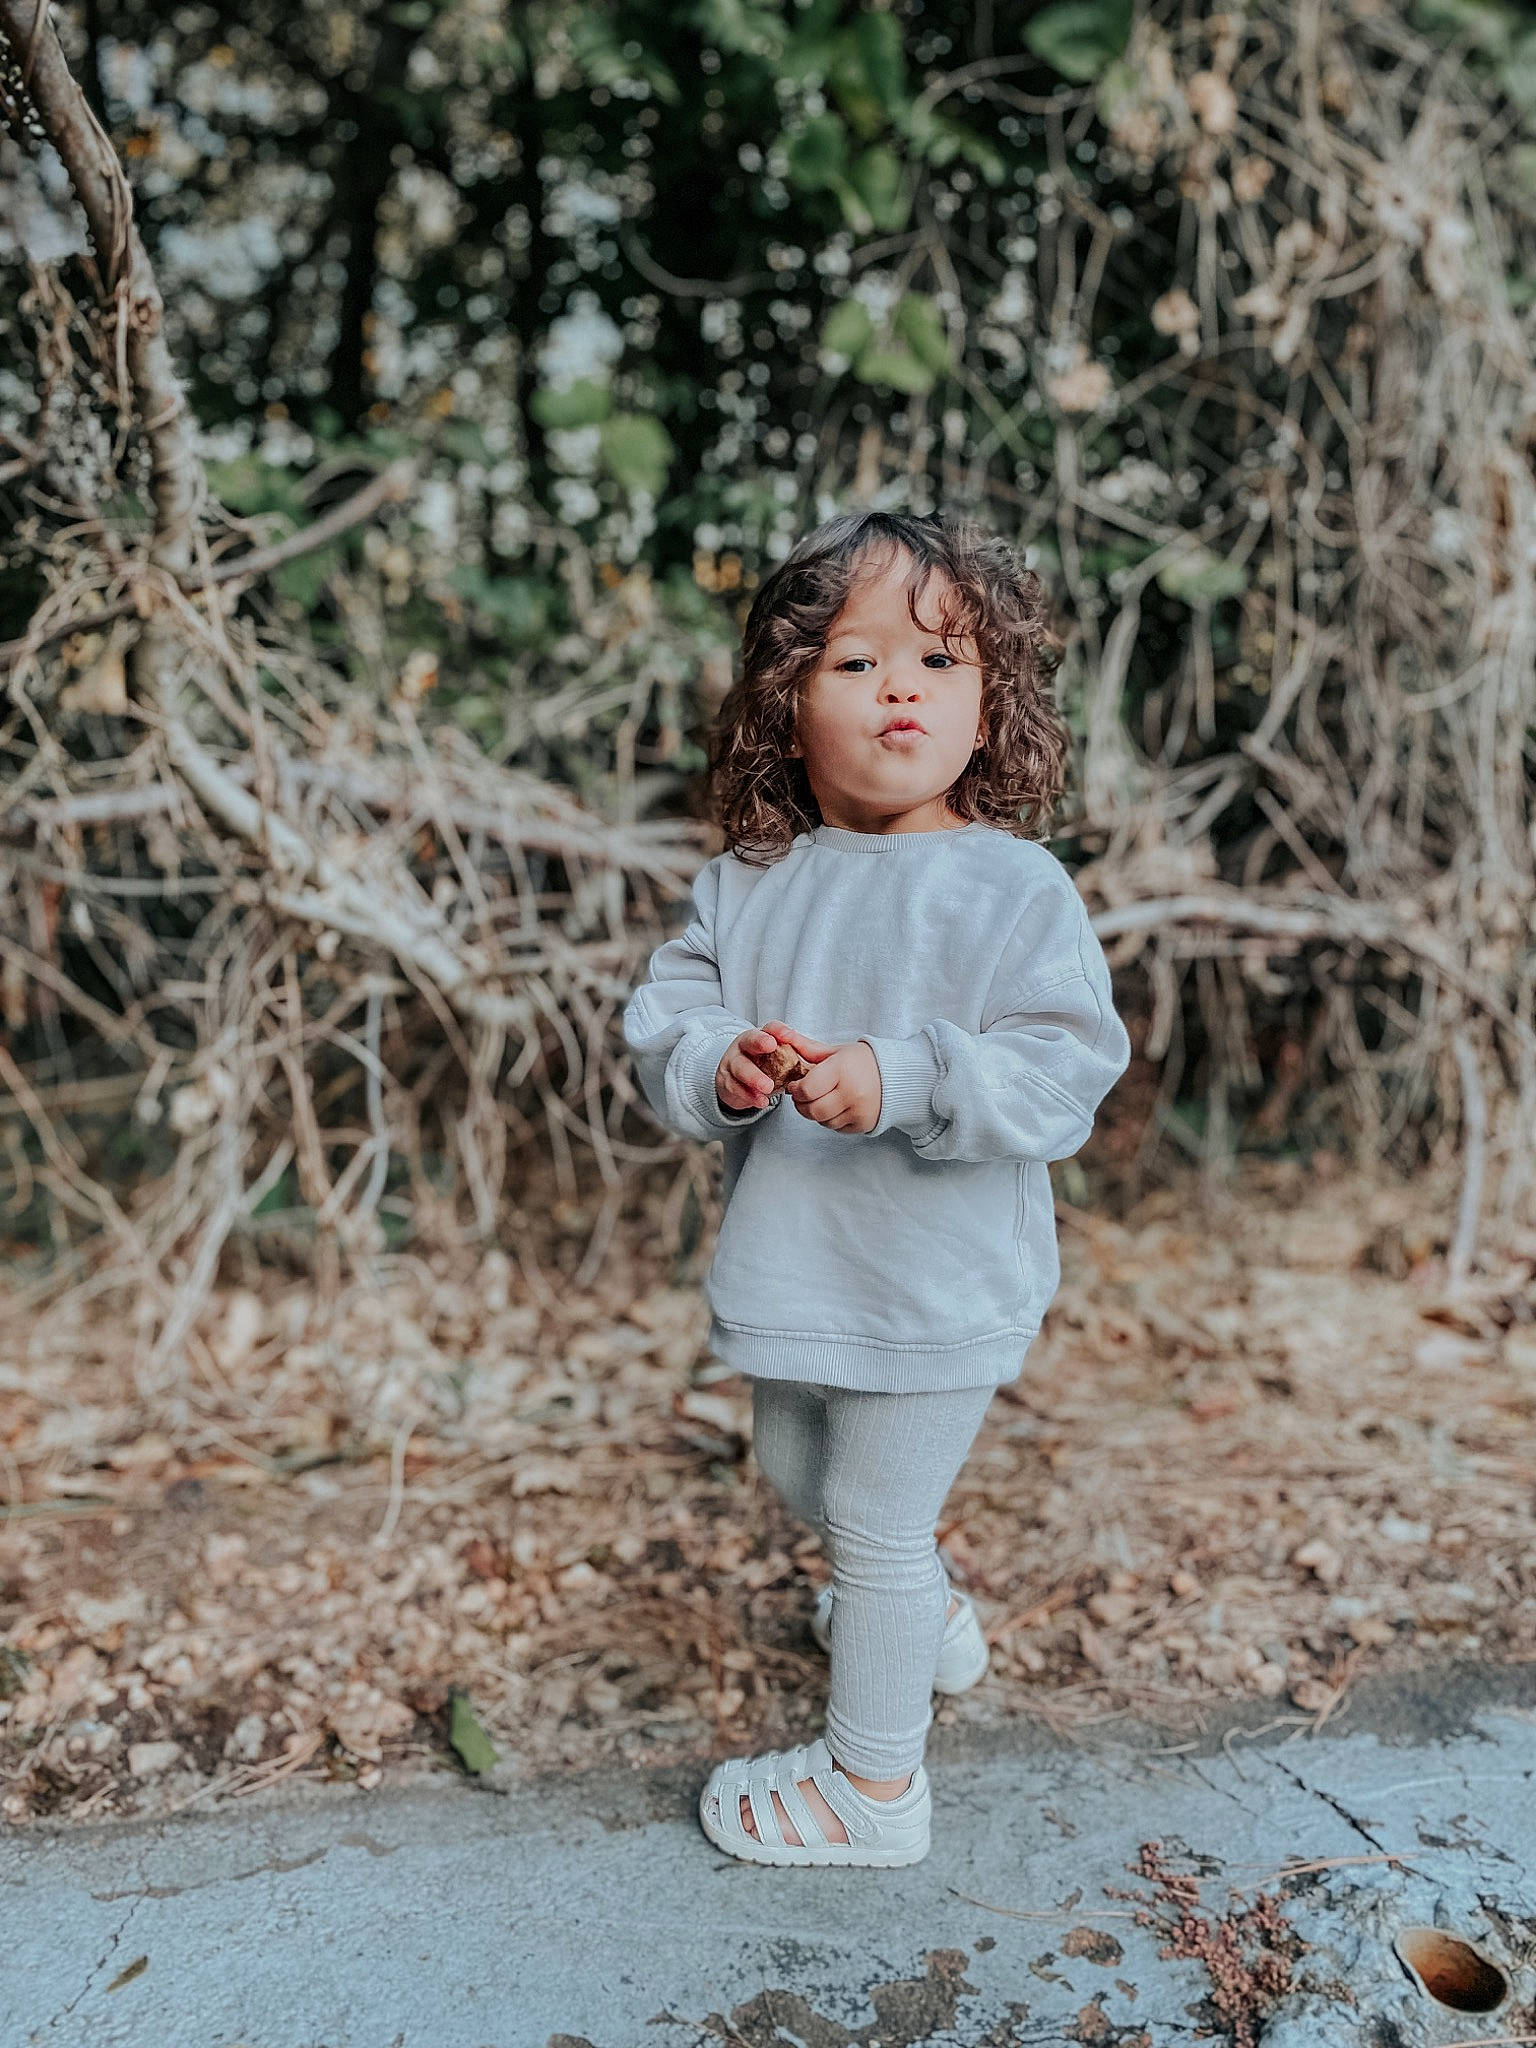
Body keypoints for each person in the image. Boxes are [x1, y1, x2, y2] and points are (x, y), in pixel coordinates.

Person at [621, 509, 1131, 1867]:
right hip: (800, 1266)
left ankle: (874, 1792)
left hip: (935, 1278)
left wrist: (903, 1077)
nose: (899, 686)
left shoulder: (1011, 888)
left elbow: (1064, 1068)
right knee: (803, 1475)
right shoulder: (745, 886)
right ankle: (930, 1620)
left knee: (873, 1524)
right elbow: (661, 1027)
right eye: (853, 663)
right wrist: (721, 1064)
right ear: (784, 708)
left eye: (940, 660)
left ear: (990, 707)